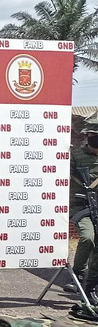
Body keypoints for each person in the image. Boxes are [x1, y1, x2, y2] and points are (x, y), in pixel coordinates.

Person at [65, 119, 98, 298]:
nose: (94, 139)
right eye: (92, 136)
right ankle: (78, 274)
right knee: (87, 237)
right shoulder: (76, 155)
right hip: (80, 206)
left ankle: (91, 284)